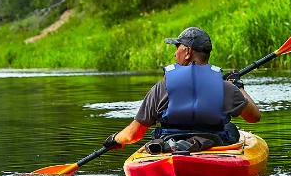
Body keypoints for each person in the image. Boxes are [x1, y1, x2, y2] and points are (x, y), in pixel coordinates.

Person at [102, 27, 260, 154]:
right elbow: (254, 117)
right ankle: (196, 144)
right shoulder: (225, 87)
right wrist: (237, 85)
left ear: (187, 51)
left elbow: (133, 135)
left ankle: (182, 146)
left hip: (169, 144)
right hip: (213, 144)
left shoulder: (161, 88)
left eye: (177, 47)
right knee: (231, 128)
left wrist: (115, 138)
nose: (174, 52)